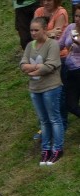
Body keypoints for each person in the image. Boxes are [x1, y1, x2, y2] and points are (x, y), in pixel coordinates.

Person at [22, 17, 64, 164]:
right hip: (35, 89)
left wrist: (32, 70)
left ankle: (57, 148)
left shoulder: (52, 44)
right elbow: (22, 64)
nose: (33, 33)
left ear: (44, 29)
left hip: (51, 87)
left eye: (36, 30)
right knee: (43, 121)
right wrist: (36, 68)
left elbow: (50, 65)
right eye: (31, 30)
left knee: (54, 119)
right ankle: (45, 149)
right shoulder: (29, 46)